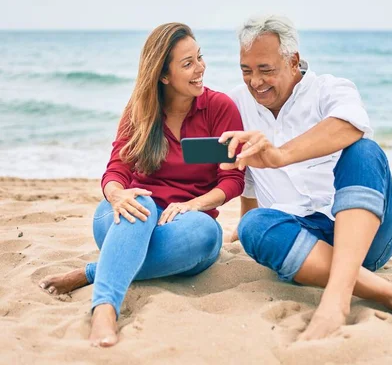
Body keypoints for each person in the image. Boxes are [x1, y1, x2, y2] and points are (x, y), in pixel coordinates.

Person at [219, 15, 392, 340]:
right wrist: (239, 225)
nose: (255, 81)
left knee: (364, 151)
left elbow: (350, 124)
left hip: (366, 238)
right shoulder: (236, 104)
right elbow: (249, 179)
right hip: (301, 241)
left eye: (265, 69)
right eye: (246, 70)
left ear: (293, 60)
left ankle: (337, 298)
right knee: (253, 225)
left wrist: (280, 155)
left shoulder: (330, 89)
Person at [38, 23, 245, 347]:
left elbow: (232, 179)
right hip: (128, 215)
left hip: (185, 227)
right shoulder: (139, 111)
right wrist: (116, 195)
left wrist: (194, 205)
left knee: (206, 233)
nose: (200, 68)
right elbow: (116, 169)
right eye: (187, 63)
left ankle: (94, 272)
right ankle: (105, 309)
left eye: (199, 58)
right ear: (163, 75)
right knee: (142, 205)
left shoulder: (220, 109)